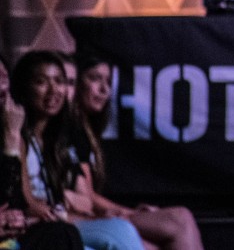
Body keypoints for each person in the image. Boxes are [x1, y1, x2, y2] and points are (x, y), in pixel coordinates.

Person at [66, 56, 204, 250]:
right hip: (75, 219)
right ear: (76, 83)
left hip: (87, 217)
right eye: (95, 78)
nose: (104, 89)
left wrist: (129, 212)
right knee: (180, 218)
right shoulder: (72, 128)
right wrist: (129, 212)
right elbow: (88, 197)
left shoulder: (86, 129)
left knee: (170, 229)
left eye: (108, 82)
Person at [11, 51, 145, 250]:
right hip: (36, 226)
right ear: (23, 87)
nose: (54, 90)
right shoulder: (17, 134)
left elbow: (83, 200)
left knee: (120, 230)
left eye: (59, 81)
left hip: (59, 221)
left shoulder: (58, 138)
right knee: (120, 231)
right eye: (41, 82)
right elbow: (27, 202)